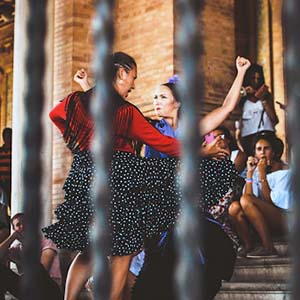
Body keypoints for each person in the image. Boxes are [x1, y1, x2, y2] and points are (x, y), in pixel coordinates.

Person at [70, 56, 250, 299]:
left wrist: (240, 72)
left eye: (162, 97)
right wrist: (85, 85)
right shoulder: (149, 128)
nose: (155, 101)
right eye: (154, 97)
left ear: (177, 103)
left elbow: (227, 107)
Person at [229, 132, 291, 258]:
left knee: (246, 200)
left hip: (284, 220)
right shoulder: (257, 171)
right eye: (259, 149)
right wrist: (250, 174)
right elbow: (245, 200)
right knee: (234, 207)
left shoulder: (285, 172)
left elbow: (271, 201)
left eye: (266, 148)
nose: (262, 152)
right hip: (263, 220)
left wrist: (262, 175)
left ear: (274, 152)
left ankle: (268, 247)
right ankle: (248, 245)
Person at [0, 213, 62, 300]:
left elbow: (42, 269)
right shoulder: (18, 248)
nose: (23, 226)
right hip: (29, 289)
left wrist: (20, 261)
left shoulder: (47, 241)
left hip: (49, 290)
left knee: (37, 270)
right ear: (14, 229)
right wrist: (12, 237)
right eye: (18, 225)